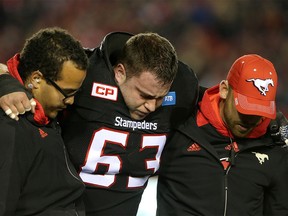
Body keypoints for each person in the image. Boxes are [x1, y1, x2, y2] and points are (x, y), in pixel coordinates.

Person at [0, 31, 200, 215]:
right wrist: (6, 84)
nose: (152, 106)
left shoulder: (183, 90)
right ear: (120, 72)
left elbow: (216, 108)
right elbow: (27, 69)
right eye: (144, 95)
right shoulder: (87, 75)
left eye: (160, 98)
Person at [157, 54, 288, 216]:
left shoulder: (275, 145)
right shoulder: (180, 124)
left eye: (259, 112)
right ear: (224, 89)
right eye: (245, 110)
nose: (250, 120)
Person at [0, 27, 88, 215]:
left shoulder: (42, 115)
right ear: (37, 79)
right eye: (67, 92)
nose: (71, 101)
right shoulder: (12, 125)